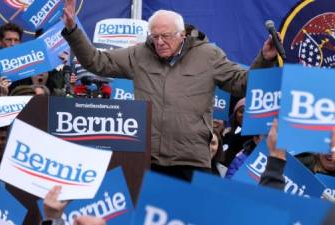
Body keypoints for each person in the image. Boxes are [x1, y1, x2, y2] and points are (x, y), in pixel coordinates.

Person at [61, 1, 279, 180]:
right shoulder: (139, 55)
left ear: (182, 34)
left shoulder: (208, 56)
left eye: (165, 36)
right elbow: (96, 62)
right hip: (148, 161)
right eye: (154, 37)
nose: (159, 42)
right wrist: (72, 30)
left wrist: (265, 59)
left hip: (191, 161)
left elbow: (242, 83)